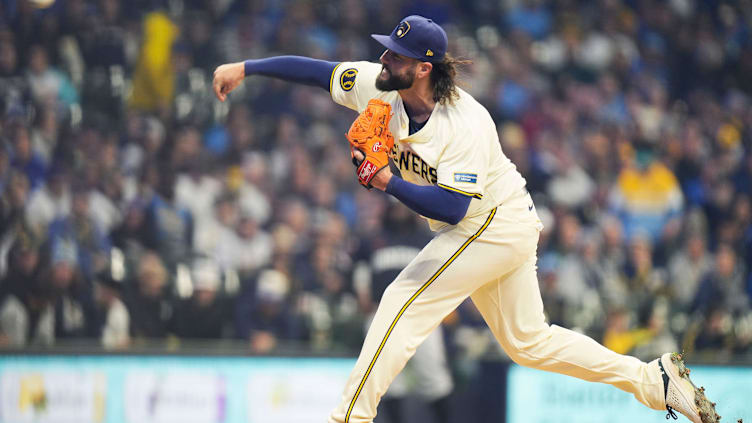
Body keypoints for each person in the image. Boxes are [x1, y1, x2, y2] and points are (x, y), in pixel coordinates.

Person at [213, 15, 717, 423]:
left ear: (425, 69)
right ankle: (654, 382)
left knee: (402, 296)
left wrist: (387, 181)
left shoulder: (464, 123)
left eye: (396, 55)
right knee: (528, 342)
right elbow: (318, 71)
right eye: (386, 49)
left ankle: (349, 417)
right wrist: (248, 67)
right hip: (496, 222)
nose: (384, 58)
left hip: (490, 221)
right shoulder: (380, 85)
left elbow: (454, 208)